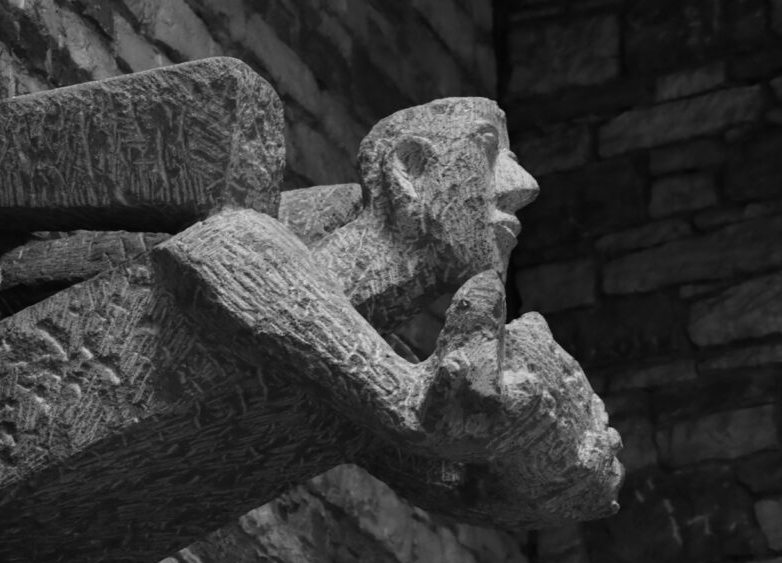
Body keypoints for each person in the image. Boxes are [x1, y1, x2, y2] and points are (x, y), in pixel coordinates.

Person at [154, 97, 623, 527]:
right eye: (490, 153)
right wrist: (401, 398)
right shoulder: (258, 251)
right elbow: (227, 246)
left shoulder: (358, 392)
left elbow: (458, 486)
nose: (524, 187)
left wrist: (549, 470)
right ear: (410, 169)